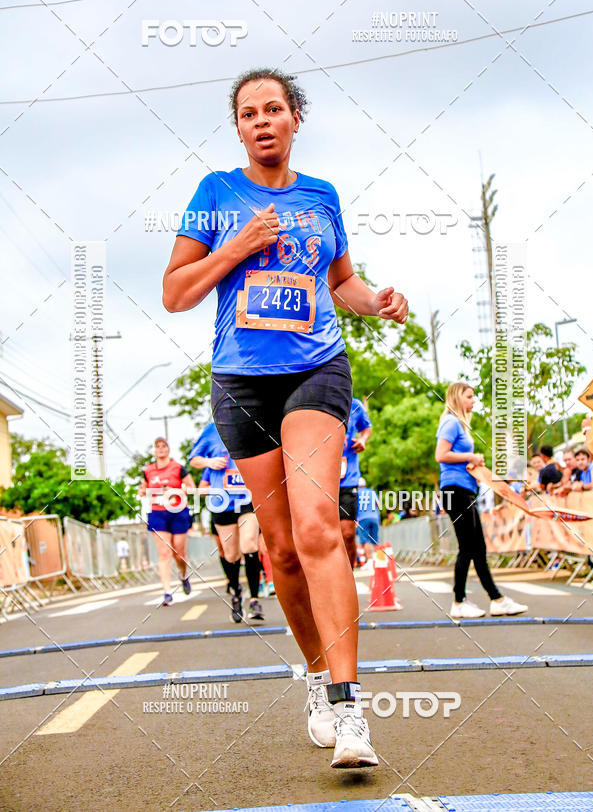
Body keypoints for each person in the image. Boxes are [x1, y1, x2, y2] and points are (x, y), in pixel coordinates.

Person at [163, 68, 409, 768]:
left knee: (317, 527)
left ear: (296, 118)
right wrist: (235, 248)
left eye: (274, 108)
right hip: (241, 381)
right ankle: (315, 674)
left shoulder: (321, 194)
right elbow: (175, 293)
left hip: (315, 370)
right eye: (248, 113)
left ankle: (348, 702)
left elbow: (341, 282)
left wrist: (378, 300)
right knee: (280, 549)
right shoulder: (216, 193)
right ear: (238, 128)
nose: (262, 121)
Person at [435, 382, 528, 619]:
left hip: (465, 490)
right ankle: (460, 601)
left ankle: (495, 599)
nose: (473, 401)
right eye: (469, 396)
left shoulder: (461, 425)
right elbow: (440, 455)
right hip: (455, 491)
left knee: (477, 547)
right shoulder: (451, 422)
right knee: (468, 547)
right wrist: (471, 456)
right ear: (457, 398)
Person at [189, 422, 264, 622]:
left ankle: (255, 599)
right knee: (231, 554)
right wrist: (209, 462)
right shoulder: (211, 430)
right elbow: (193, 459)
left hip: (247, 497)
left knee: (249, 544)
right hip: (221, 501)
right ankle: (236, 592)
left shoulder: (252, 422)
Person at [140, 437, 195, 606]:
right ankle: (166, 592)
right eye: (158, 447)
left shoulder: (178, 468)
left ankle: (183, 575)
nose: (161, 449)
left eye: (164, 446)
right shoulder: (148, 470)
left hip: (178, 511)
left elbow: (191, 487)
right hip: (158, 513)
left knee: (179, 552)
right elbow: (143, 488)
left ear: (168, 450)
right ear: (154, 451)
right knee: (164, 554)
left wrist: (176, 490)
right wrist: (143, 491)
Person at [339, 397, 372, 567]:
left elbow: (366, 427)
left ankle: (348, 574)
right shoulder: (317, 399)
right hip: (319, 480)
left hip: (348, 479)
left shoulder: (355, 405)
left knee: (347, 533)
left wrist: (363, 440)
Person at [356, 477, 380, 562]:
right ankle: (379, 560)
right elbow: (378, 505)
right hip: (375, 517)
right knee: (375, 540)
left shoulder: (356, 494)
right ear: (365, 485)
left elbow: (354, 508)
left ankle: (369, 560)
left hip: (362, 519)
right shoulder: (372, 492)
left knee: (365, 540)